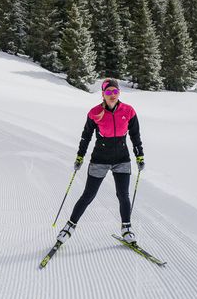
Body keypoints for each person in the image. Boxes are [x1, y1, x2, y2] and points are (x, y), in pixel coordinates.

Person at [56, 78, 144, 244]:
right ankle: (69, 226)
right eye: (109, 92)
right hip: (100, 159)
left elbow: (135, 135)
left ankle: (126, 227)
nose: (112, 95)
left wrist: (139, 155)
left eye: (115, 91)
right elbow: (86, 137)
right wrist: (80, 156)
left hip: (122, 159)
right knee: (88, 195)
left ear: (119, 93)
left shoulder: (128, 111)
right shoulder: (94, 112)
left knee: (123, 195)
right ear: (103, 94)